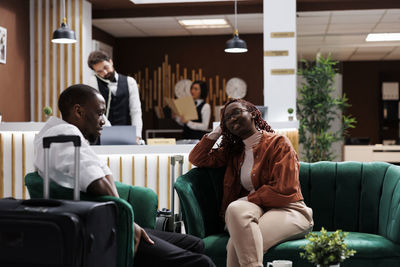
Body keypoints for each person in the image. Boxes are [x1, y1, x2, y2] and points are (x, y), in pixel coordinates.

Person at [33, 84, 215, 267]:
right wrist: (128, 223)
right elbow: (96, 181)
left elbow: (100, 175)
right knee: (202, 262)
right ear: (78, 111)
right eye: (99, 113)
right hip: (99, 230)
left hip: (104, 221)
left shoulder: (62, 133)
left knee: (194, 243)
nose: (103, 121)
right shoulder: (64, 134)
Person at [189, 98, 314, 267]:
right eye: (227, 118)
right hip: (257, 210)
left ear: (254, 114)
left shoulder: (278, 143)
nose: (232, 119)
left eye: (236, 112)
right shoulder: (235, 151)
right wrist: (218, 130)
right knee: (234, 208)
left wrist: (247, 199)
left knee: (235, 245)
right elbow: (197, 158)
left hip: (289, 209)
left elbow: (284, 189)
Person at [87, 51, 143, 144]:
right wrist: (109, 131)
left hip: (126, 134)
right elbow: (95, 110)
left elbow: (136, 111)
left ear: (111, 62)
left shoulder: (130, 82)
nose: (104, 73)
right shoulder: (93, 82)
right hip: (101, 134)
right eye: (99, 71)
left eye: (105, 67)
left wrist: (137, 135)